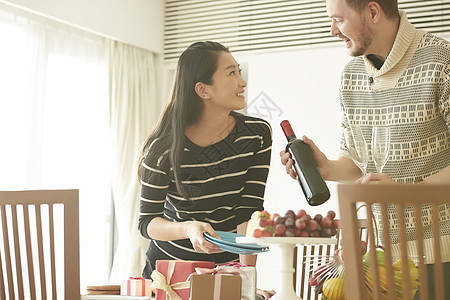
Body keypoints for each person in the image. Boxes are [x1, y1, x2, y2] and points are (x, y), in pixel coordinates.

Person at [280, 0, 449, 299]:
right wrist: (328, 168)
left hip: (442, 255)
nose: (332, 30)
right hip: (382, 260)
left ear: (373, 12)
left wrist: (405, 191)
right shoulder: (351, 76)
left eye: (339, 19)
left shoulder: (441, 61)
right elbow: (358, 162)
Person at [138, 41, 275, 299]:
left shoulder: (256, 135)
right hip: (171, 277)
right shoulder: (162, 150)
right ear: (203, 90)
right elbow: (147, 222)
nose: (242, 82)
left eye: (240, 72)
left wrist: (245, 281)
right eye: (231, 73)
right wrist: (188, 228)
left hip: (227, 273)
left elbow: (248, 211)